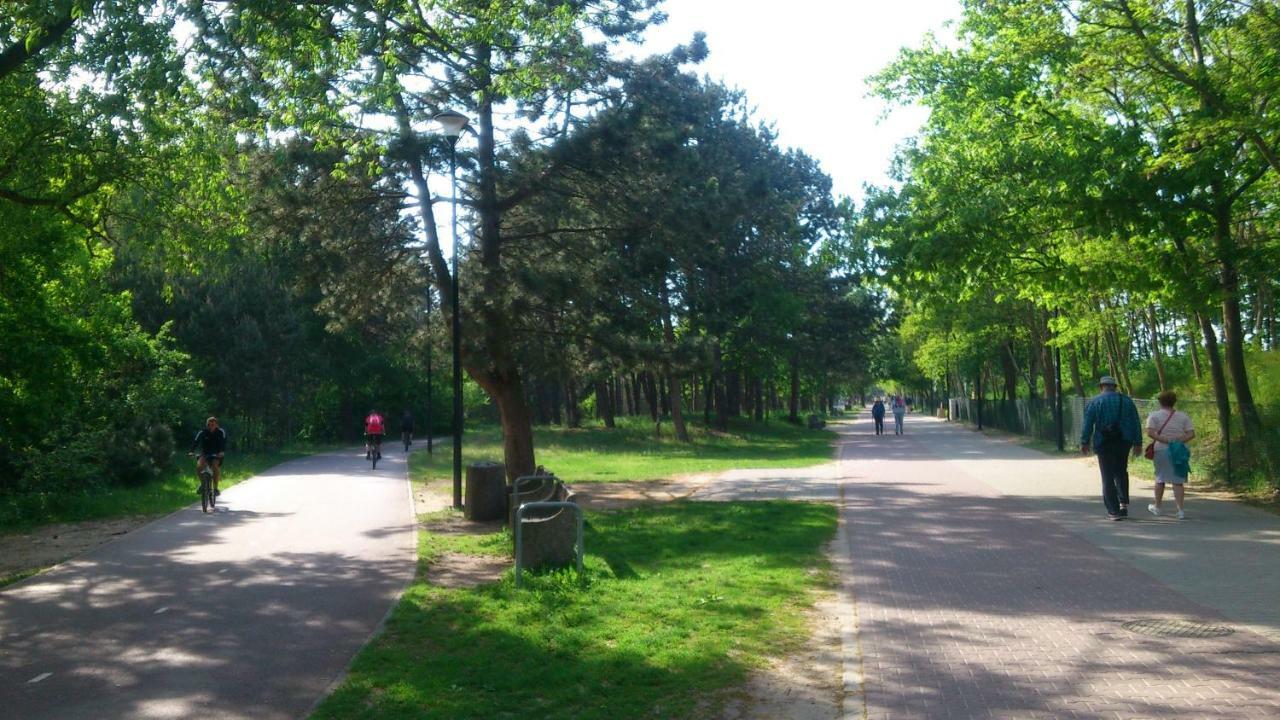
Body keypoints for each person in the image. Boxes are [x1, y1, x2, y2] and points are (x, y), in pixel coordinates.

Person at [1080, 376, 1142, 520]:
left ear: (1101, 386)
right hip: (1124, 441)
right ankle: (1123, 505)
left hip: (1104, 442)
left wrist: (1084, 441)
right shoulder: (1127, 401)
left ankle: (1113, 511)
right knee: (1121, 471)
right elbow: (1135, 422)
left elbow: (1088, 424)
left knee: (1107, 476)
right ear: (1115, 386)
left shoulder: (1095, 402)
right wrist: (1138, 442)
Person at [1146, 390, 1195, 520]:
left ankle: (1158, 507)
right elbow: (1191, 434)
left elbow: (1150, 433)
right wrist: (1177, 441)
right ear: (1174, 402)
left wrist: (1164, 440)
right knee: (1178, 481)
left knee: (1160, 478)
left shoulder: (1154, 416)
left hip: (1161, 449)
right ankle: (1180, 511)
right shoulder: (1183, 416)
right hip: (1179, 450)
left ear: (1160, 401)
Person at [189, 416, 227, 497]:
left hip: (217, 453)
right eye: (209, 425)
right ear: (207, 425)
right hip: (205, 453)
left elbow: (223, 442)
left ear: (216, 425)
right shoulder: (202, 432)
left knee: (215, 466)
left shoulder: (220, 432)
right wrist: (191, 451)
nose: (211, 426)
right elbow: (195, 441)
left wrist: (222, 451)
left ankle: (216, 488)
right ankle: (203, 484)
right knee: (199, 467)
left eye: (213, 425)